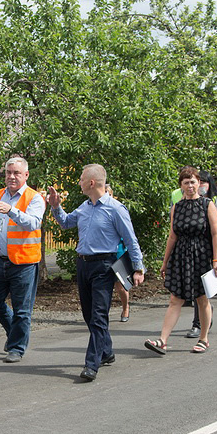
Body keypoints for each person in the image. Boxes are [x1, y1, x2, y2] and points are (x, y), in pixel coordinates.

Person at [46, 164, 145, 382]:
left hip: (104, 266)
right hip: (83, 265)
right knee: (89, 315)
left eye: (81, 179)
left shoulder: (116, 209)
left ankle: (92, 364)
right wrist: (55, 207)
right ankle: (106, 351)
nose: (79, 182)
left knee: (99, 315)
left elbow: (130, 240)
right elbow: (65, 223)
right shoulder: (84, 207)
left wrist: (138, 268)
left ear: (91, 182)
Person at [144, 166, 217, 356]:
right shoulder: (177, 207)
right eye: (186, 183)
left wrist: (216, 259)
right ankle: (162, 340)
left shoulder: (207, 205)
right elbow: (172, 236)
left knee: (201, 299)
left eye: (193, 182)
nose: (190, 186)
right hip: (181, 255)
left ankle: (203, 338)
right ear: (181, 186)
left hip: (202, 254)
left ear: (199, 184)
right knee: (175, 298)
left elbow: (215, 233)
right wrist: (165, 262)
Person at [0, 156, 46, 362]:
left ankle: (17, 348)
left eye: (16, 173)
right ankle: (14, 333)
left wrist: (12, 210)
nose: (11, 176)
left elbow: (33, 223)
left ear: (26, 175)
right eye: (8, 172)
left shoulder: (34, 197)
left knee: (22, 309)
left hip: (24, 262)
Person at [105, 183, 131, 322]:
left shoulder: (117, 209)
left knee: (120, 286)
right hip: (104, 256)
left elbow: (127, 235)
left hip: (119, 254)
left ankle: (125, 308)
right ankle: (104, 313)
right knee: (104, 287)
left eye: (109, 193)